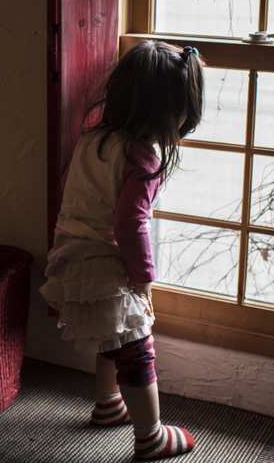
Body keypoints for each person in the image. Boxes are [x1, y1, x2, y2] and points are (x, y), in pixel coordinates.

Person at [40, 40, 205, 460]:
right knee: (136, 346)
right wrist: (143, 280)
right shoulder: (143, 156)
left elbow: (69, 187)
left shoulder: (93, 138)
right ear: (170, 113)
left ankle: (108, 404)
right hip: (103, 264)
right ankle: (150, 436)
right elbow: (131, 224)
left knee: (111, 339)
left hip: (68, 255)